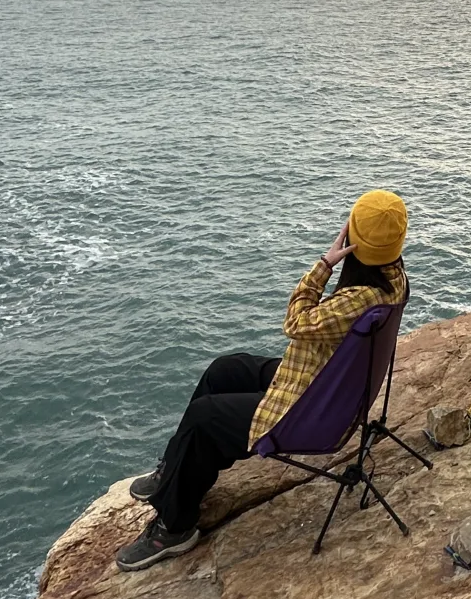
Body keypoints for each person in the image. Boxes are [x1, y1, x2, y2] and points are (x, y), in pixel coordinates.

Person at [115, 189, 408, 571]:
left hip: (314, 410)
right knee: (226, 369)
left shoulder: (357, 299)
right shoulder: (394, 279)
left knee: (205, 417)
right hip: (328, 383)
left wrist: (325, 264)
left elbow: (295, 322)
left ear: (352, 239)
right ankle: (174, 473)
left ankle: (174, 527)